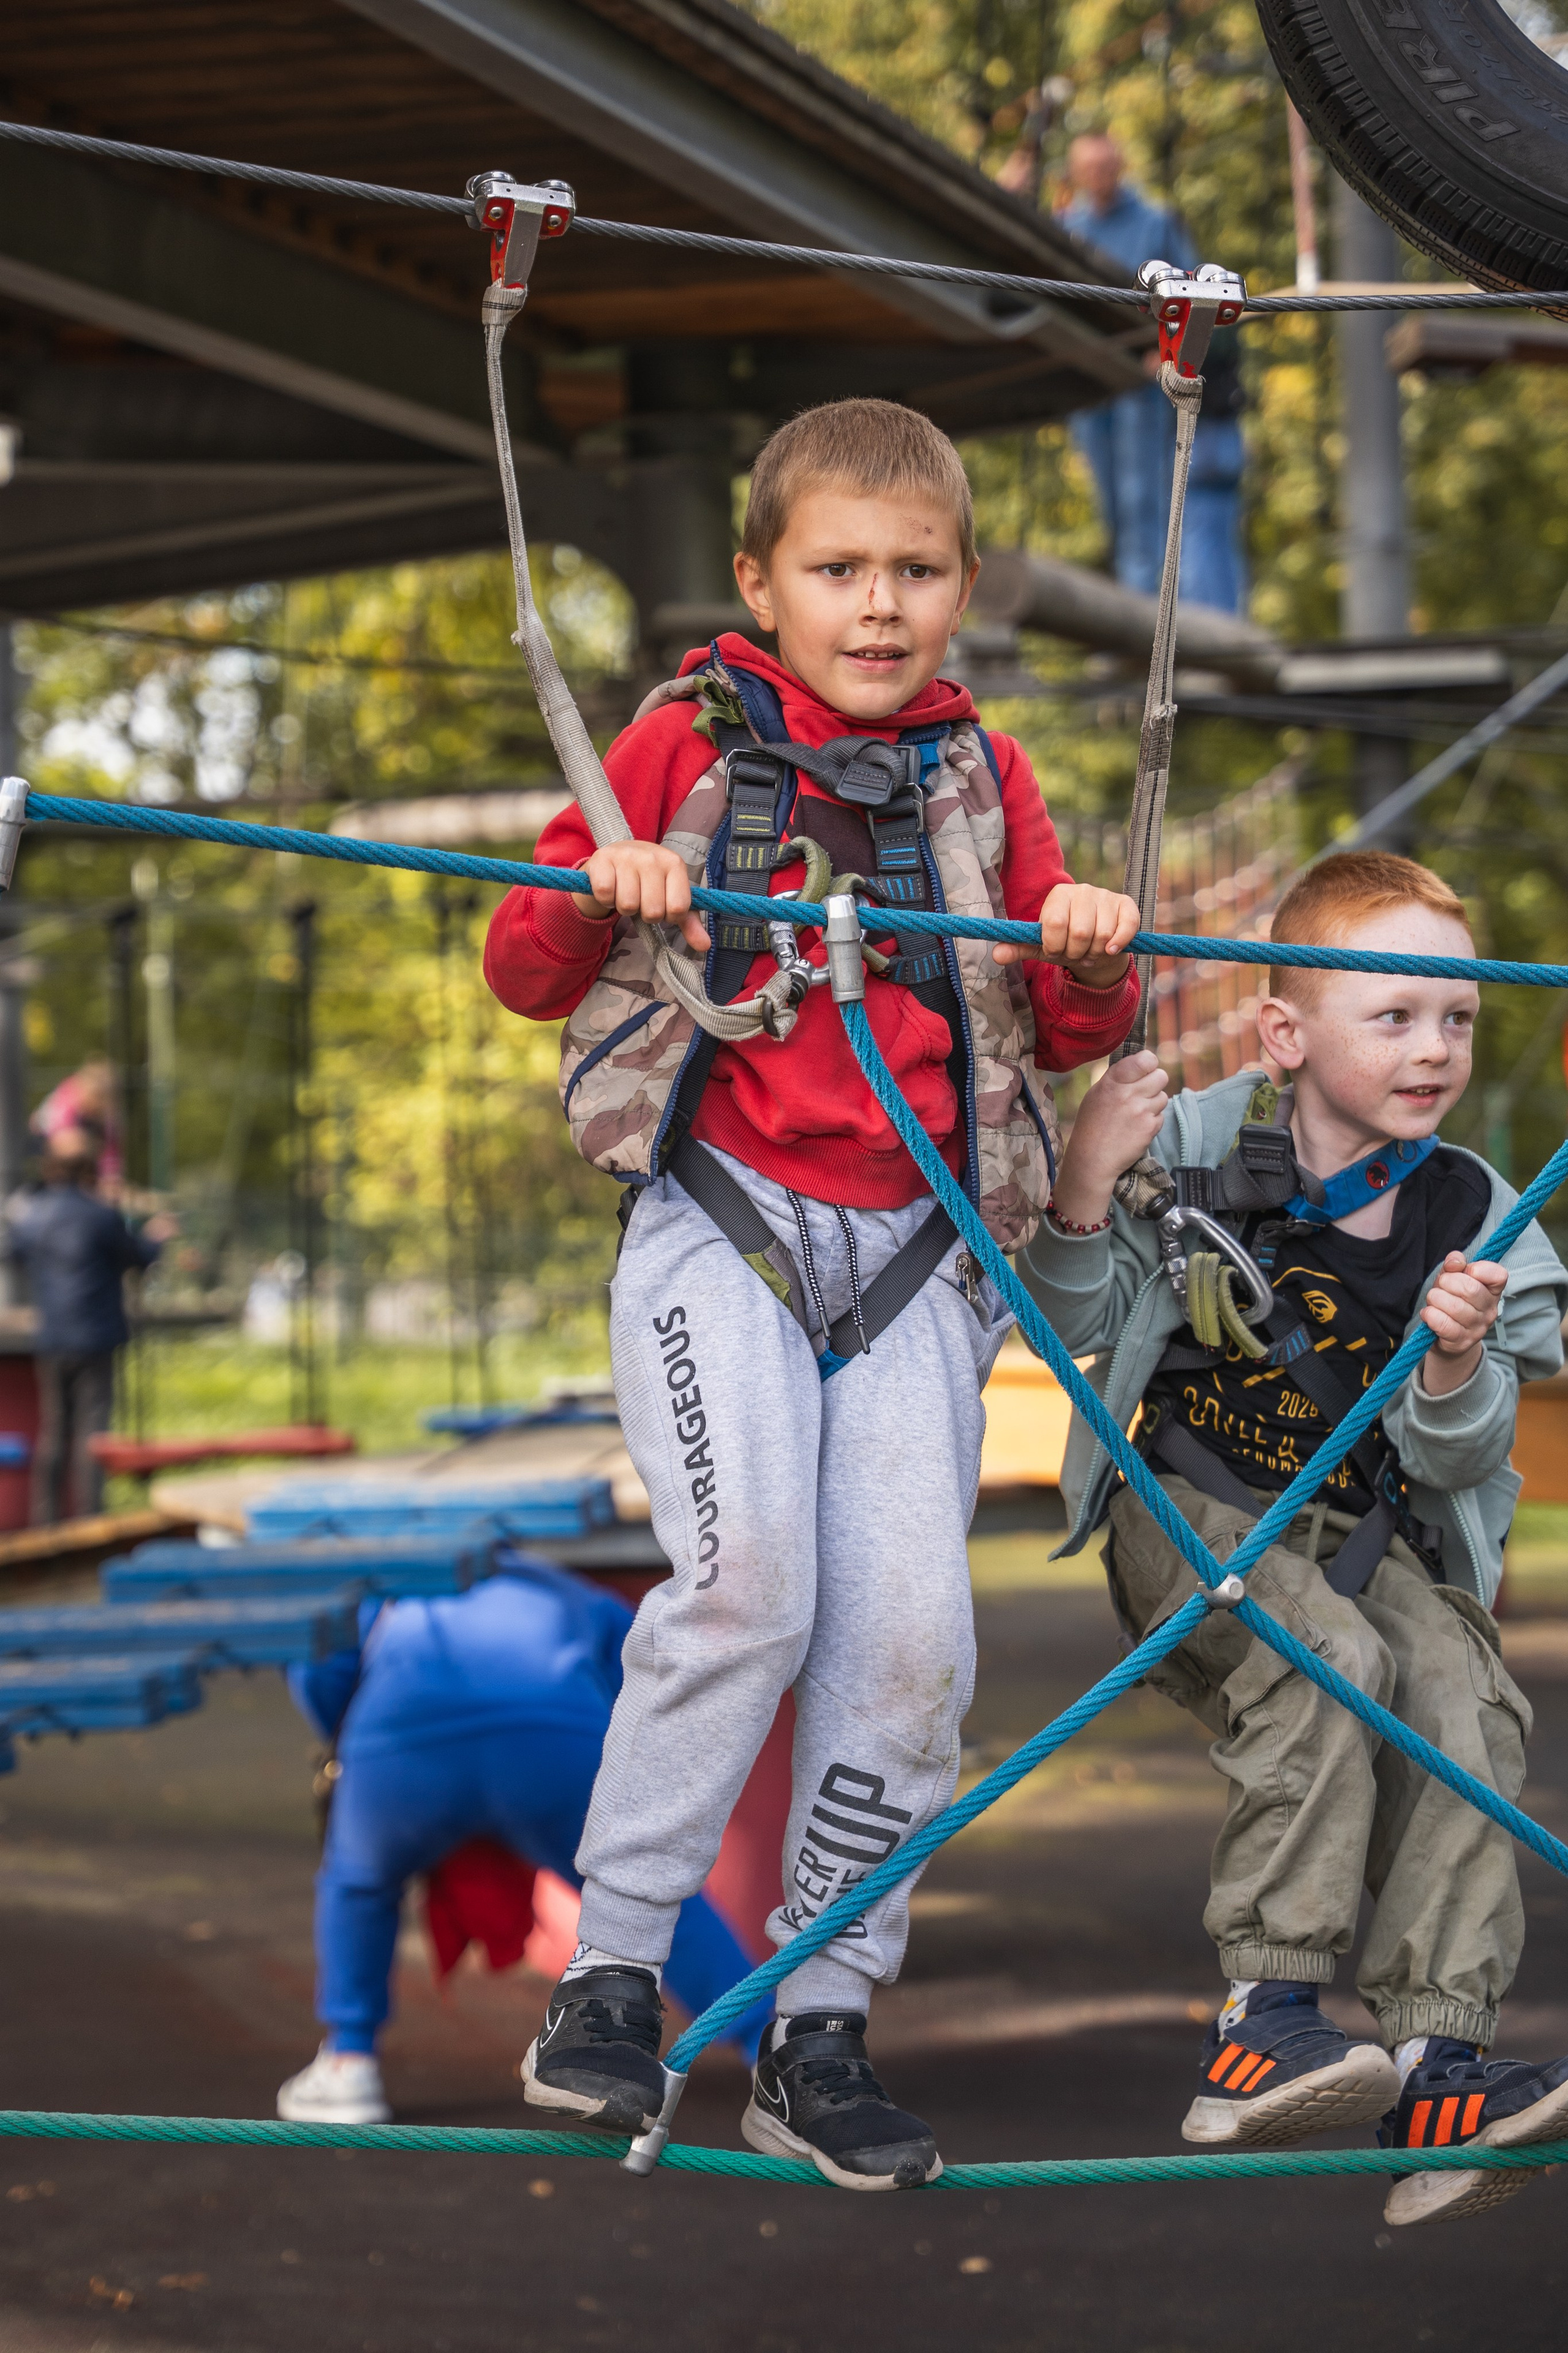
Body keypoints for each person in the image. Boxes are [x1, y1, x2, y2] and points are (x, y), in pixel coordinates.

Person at [483, 396, 1144, 2189]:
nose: (876, 604)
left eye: (913, 572)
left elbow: (1073, 1029)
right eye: (838, 569)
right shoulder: (680, 742)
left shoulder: (980, 776)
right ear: (760, 581)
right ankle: (611, 1976)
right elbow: (525, 961)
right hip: (730, 1220)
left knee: (914, 1648)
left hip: (924, 1247)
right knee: (748, 1585)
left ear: (960, 590)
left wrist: (1085, 940)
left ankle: (818, 2020)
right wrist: (604, 876)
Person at [1019, 851, 1568, 2229]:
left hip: (1358, 1531)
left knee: (1461, 1703)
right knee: (1319, 1662)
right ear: (1285, 1035)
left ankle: (1441, 2062)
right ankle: (1264, 2013)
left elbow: (1464, 1457)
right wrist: (1087, 1180)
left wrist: (1446, 1369)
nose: (1431, 1048)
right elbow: (1068, 1326)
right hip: (1188, 1512)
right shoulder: (1194, 1142)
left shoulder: (1472, 1207)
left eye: (1454, 1018)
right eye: (1390, 1018)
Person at [276, 1559, 773, 2125]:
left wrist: (345, 1732)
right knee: (645, 1887)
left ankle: (349, 2060)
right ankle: (765, 2044)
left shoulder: (389, 1590)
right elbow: (641, 1679)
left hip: (404, 1743)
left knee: (357, 1882)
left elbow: (319, 1665)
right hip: (554, 1740)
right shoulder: (570, 1591)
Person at [1058, 132, 1246, 612]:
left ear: (1119, 167)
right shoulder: (1067, 224)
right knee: (1111, 501)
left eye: (1105, 166)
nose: (1098, 176)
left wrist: (1165, 355)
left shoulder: (1156, 223)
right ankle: (1131, 602)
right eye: (1089, 168)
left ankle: (1148, 612)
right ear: (1076, 172)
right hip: (1088, 380)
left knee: (1143, 496)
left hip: (1140, 385)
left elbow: (1195, 297)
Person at [7, 1135, 168, 1524]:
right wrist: (156, 1238)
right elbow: (137, 1257)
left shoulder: (35, 1215)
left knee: (54, 1430)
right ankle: (90, 1518)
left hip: (53, 1337)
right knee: (93, 1433)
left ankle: (45, 1522)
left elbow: (11, 1250)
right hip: (96, 1335)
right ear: (91, 1171)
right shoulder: (101, 1215)